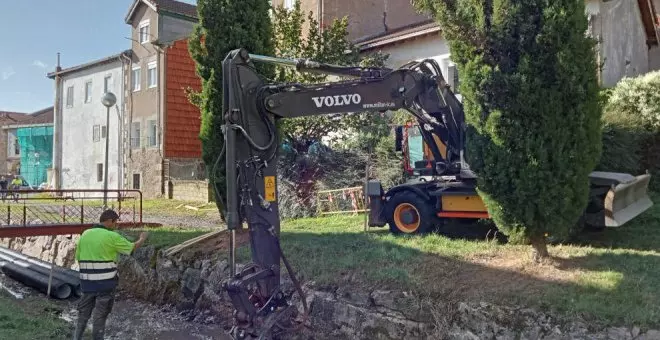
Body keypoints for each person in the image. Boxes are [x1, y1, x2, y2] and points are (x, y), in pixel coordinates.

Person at [73, 209, 148, 340]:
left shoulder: (85, 234)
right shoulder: (112, 236)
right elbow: (132, 247)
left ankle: (76, 338)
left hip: (86, 283)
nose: (115, 225)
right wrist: (142, 238)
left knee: (83, 314)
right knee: (100, 316)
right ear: (108, 221)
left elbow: (78, 258)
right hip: (105, 284)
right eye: (115, 222)